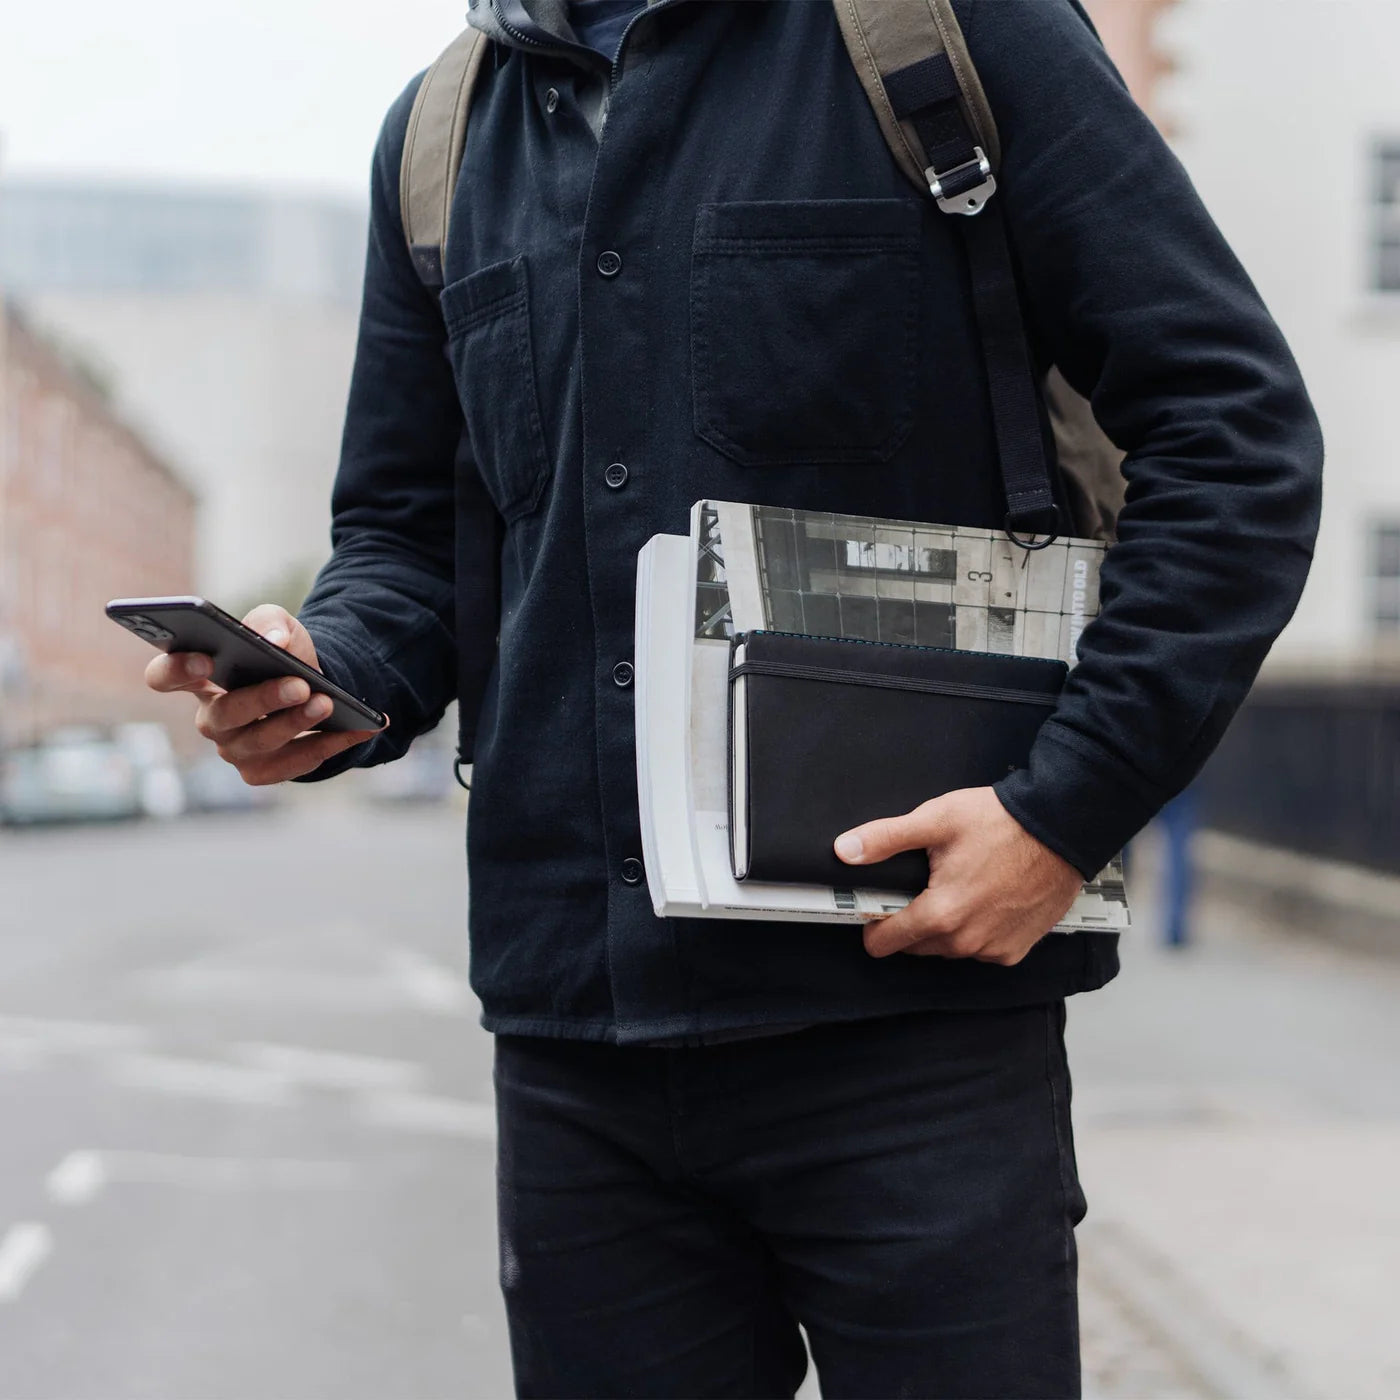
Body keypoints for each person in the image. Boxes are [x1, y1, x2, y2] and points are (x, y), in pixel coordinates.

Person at [144, 1, 1323, 1395]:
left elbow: (1236, 437)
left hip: (911, 1024)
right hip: (582, 1063)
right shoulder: (441, 141)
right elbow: (409, 541)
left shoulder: (949, 38)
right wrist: (322, 671)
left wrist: (1063, 815)